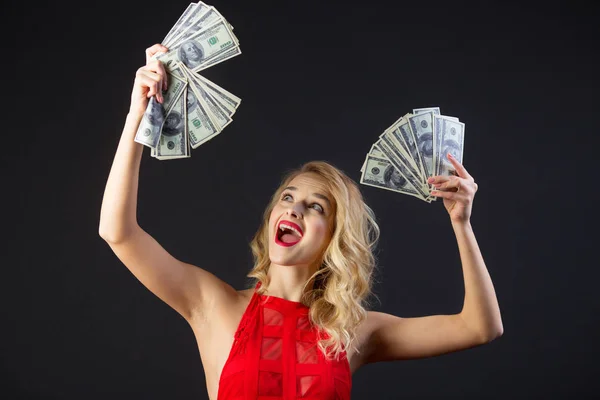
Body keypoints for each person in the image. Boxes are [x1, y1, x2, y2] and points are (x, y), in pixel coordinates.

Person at [99, 44, 504, 400]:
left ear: (334, 238)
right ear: (273, 216)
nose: (293, 209)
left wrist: (461, 223)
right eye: (288, 198)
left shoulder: (356, 332)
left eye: (316, 207)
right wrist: (137, 114)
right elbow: (117, 233)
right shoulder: (213, 304)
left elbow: (479, 328)